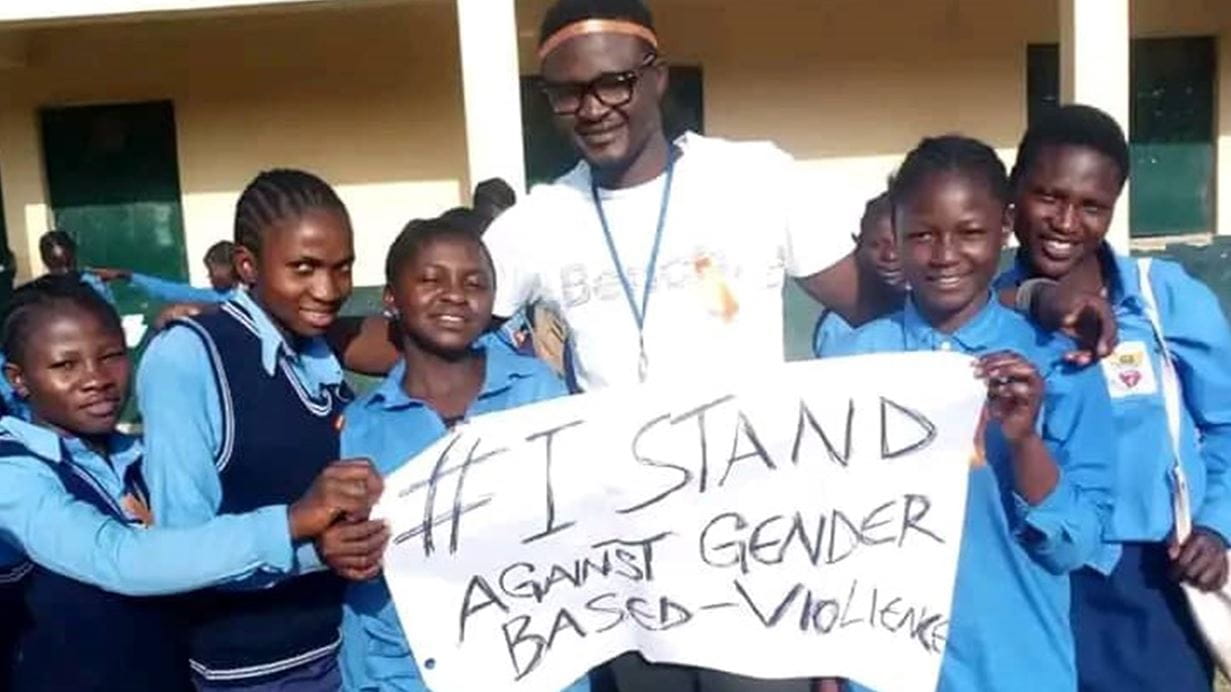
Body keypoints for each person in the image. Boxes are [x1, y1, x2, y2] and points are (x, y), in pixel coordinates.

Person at [821, 135, 1115, 692]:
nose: (944, 255)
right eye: (922, 235)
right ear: (896, 236)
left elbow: (1077, 544)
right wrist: (830, 666)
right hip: (886, 671)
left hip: (1017, 668)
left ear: (1005, 227)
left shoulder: (1057, 362)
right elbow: (826, 533)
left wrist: (1026, 442)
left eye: (970, 232)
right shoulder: (852, 362)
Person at [0, 274, 386, 692]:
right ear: (18, 379)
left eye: (111, 355)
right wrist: (290, 522)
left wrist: (318, 551)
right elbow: (121, 559)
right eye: (65, 365)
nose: (97, 378)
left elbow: (193, 553)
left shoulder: (137, 458)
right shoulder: (14, 477)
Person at [996, 104, 1231, 692]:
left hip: (1153, 584)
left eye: (1092, 206)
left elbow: (1227, 423)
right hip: (1028, 580)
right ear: (1013, 194)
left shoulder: (1163, 300)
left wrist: (1217, 527)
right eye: (1047, 196)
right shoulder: (983, 314)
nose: (1065, 221)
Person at [318, 216, 589, 692]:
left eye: (474, 282)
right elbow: (349, 550)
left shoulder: (541, 394)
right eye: (429, 279)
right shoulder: (362, 424)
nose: (454, 295)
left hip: (535, 662)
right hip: (403, 672)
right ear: (391, 299)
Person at [137, 169, 360, 691]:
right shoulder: (188, 358)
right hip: (255, 671)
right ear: (247, 265)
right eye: (303, 268)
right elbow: (181, 549)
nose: (328, 290)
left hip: (347, 647)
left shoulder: (315, 350)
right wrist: (312, 550)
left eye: (343, 268)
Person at [812, 191, 904, 355]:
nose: (889, 255)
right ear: (858, 245)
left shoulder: (941, 308)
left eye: (899, 244)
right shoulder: (839, 324)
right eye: (875, 245)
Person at [91, 240, 241, 304]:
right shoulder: (213, 296)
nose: (209, 276)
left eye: (212, 270)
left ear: (227, 268)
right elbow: (172, 290)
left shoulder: (238, 300)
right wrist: (127, 275)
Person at [37, 230, 114, 305]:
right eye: (58, 265)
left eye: (68, 263)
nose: (65, 271)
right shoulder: (38, 295)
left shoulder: (94, 286)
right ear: (45, 262)